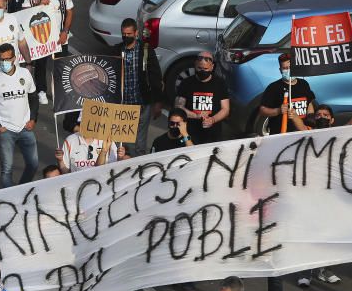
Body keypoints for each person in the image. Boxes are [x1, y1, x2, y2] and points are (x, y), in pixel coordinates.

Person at [0, 42, 39, 188]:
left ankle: (21, 188)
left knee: (33, 164)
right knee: (7, 169)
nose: (4, 63)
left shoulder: (25, 74)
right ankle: (10, 198)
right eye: (1, 59)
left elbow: (33, 98)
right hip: (6, 131)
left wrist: (33, 119)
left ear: (14, 58)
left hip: (25, 128)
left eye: (7, 59)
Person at [22, 0, 71, 97]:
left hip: (60, 35)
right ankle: (41, 90)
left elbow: (69, 11)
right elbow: (24, 11)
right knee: (41, 64)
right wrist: (37, 3)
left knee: (61, 65)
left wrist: (65, 32)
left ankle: (61, 92)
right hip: (42, 35)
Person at [117, 18, 163, 156]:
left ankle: (139, 167)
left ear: (136, 33)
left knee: (140, 142)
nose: (126, 37)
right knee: (124, 142)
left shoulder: (146, 50)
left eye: (129, 34)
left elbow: (155, 76)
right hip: (123, 105)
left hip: (142, 103)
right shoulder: (116, 50)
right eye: (124, 34)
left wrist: (158, 102)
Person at [173, 50, 228, 145]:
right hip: (188, 134)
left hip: (213, 135)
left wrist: (212, 120)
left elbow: (225, 109)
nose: (202, 71)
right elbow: (178, 107)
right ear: (195, 65)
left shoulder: (220, 84)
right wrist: (197, 116)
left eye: (205, 69)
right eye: (199, 68)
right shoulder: (186, 83)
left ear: (212, 67)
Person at [258, 53, 315, 136]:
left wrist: (310, 119)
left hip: (302, 132)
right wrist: (278, 111)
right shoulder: (273, 87)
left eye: (290, 67)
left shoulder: (304, 84)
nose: (288, 70)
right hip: (281, 134)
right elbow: (262, 110)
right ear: (280, 70)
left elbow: (309, 103)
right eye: (285, 68)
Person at [56, 114, 124, 174]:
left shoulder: (106, 140)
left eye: (92, 123)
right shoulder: (70, 141)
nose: (89, 127)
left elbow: (114, 168)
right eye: (85, 123)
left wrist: (120, 157)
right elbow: (66, 173)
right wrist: (60, 160)